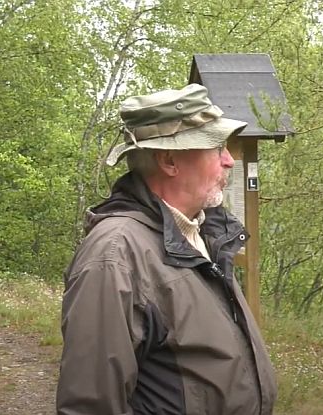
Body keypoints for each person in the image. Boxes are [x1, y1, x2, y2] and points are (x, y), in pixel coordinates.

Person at [56, 84, 277, 415]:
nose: (229, 161)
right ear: (170, 160)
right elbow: (91, 405)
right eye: (217, 148)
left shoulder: (200, 232)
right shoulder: (115, 254)